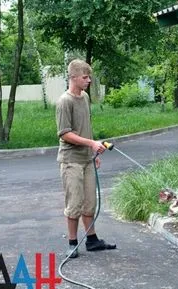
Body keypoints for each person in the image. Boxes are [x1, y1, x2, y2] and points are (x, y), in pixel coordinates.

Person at [56, 59, 116, 258]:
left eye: (89, 76)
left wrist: (93, 152)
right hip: (71, 160)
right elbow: (64, 133)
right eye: (85, 77)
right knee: (74, 203)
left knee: (90, 202)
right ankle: (72, 243)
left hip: (86, 158)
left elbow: (86, 128)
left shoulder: (85, 98)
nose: (89, 80)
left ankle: (92, 240)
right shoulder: (65, 101)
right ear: (73, 77)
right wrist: (90, 144)